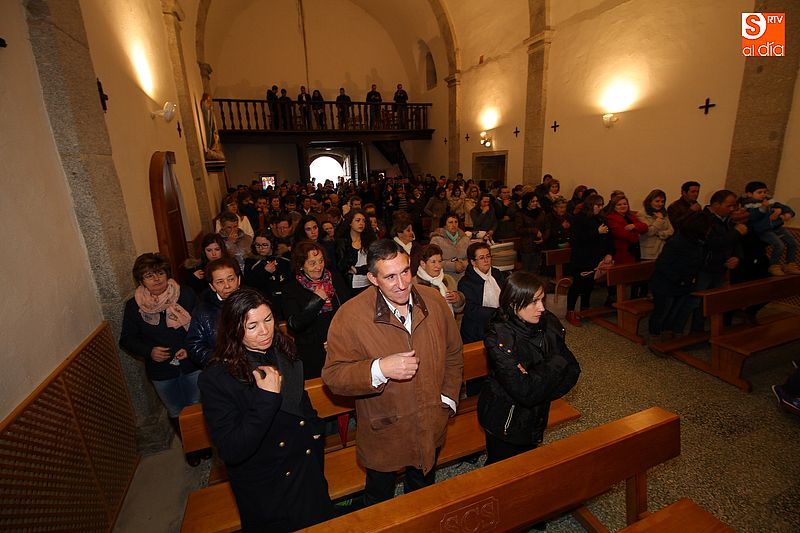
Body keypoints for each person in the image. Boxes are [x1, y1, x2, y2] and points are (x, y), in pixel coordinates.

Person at [322, 239, 463, 506]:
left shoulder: (433, 300)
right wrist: (379, 368)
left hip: (430, 419)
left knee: (422, 493)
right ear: (373, 279)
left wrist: (447, 398)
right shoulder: (350, 315)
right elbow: (334, 376)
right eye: (389, 277)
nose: (401, 283)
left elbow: (454, 353)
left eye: (405, 272)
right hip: (385, 427)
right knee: (379, 498)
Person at [198, 289, 334, 531]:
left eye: (268, 319)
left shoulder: (284, 349)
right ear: (233, 329)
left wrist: (315, 429)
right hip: (268, 484)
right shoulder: (217, 377)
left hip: (306, 471)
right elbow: (231, 449)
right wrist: (266, 398)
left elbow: (300, 400)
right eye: (252, 326)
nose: (264, 331)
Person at [478, 272, 580, 464]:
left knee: (528, 463)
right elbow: (524, 392)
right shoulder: (499, 336)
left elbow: (573, 370)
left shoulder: (548, 322)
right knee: (501, 468)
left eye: (542, 299)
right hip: (504, 420)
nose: (542, 308)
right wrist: (556, 364)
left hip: (536, 415)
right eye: (533, 302)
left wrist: (537, 383)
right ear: (513, 303)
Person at [120, 253, 202, 464]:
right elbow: (127, 339)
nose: (156, 279)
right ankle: (190, 448)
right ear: (141, 280)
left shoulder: (186, 294)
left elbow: (202, 325)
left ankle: (203, 443)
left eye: (160, 273)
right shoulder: (134, 306)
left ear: (167, 274)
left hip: (191, 362)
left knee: (196, 404)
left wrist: (189, 347)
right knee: (175, 409)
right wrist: (149, 351)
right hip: (161, 370)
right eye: (149, 275)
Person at [282, 241, 349, 380]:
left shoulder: (335, 279)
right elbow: (295, 324)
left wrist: (336, 339)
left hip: (340, 343)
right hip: (312, 350)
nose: (318, 267)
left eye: (321, 261)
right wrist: (317, 300)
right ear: (301, 265)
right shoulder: (291, 289)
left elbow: (348, 311)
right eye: (312, 263)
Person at [648, 212, 710, 347]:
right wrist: (679, 279)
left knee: (673, 312)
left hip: (683, 283)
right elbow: (662, 264)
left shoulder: (697, 241)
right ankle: (655, 337)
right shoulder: (677, 241)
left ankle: (667, 333)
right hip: (665, 284)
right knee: (662, 312)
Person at [565, 194, 613, 327]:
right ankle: (570, 311)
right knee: (577, 285)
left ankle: (585, 308)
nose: (600, 207)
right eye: (598, 205)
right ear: (591, 205)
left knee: (589, 285)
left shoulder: (600, 218)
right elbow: (576, 239)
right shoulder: (579, 218)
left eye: (602, 205)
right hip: (581, 258)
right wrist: (596, 232)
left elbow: (609, 237)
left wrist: (609, 253)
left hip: (596, 258)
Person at [186, 258, 241, 368]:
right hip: (221, 369)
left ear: (239, 280)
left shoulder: (254, 302)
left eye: (231, 279)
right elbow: (195, 346)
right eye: (220, 282)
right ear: (212, 286)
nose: (227, 286)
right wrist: (223, 361)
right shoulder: (202, 310)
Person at [742, 181, 799, 276]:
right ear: (749, 194)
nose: (763, 194)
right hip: (764, 230)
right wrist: (765, 209)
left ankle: (790, 264)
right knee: (779, 245)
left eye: (765, 192)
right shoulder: (748, 205)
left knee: (793, 243)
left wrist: (788, 213)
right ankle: (774, 265)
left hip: (777, 227)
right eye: (759, 192)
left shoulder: (770, 201)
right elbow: (753, 217)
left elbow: (783, 207)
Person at [459, 241, 507, 343]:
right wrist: (497, 312)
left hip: (501, 324)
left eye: (488, 256)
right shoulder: (466, 282)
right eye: (481, 258)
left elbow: (507, 295)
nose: (486, 260)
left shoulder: (497, 274)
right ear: (473, 262)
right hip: (477, 330)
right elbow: (471, 310)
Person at [606, 194, 648, 299]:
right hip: (622, 252)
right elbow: (621, 234)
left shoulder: (631, 216)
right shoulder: (611, 218)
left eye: (625, 204)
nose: (623, 206)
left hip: (634, 251)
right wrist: (636, 234)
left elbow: (644, 227)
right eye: (619, 204)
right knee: (621, 279)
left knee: (636, 277)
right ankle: (616, 300)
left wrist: (634, 226)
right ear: (614, 206)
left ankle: (633, 299)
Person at [413, 244, 465, 316]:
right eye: (433, 262)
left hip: (449, 322)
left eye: (440, 261)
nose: (438, 266)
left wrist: (457, 299)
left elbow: (458, 310)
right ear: (423, 264)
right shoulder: (414, 284)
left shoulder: (448, 279)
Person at [243, 233, 290, 313]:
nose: (261, 248)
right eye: (257, 245)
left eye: (265, 245)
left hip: (285, 300)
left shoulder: (284, 259)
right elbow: (249, 283)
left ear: (272, 245)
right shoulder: (251, 261)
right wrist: (264, 272)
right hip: (263, 300)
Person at [335, 208, 377, 295]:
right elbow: (342, 266)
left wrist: (358, 270)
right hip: (350, 285)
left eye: (363, 221)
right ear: (350, 223)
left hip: (370, 282)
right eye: (358, 220)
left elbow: (375, 262)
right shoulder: (342, 242)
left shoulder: (370, 240)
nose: (361, 223)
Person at [429, 214, 470, 283]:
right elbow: (432, 262)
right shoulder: (436, 239)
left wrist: (464, 264)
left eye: (456, 222)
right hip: (444, 276)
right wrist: (453, 266)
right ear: (444, 225)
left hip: (464, 275)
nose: (454, 225)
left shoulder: (465, 239)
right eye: (450, 222)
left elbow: (472, 258)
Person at [514, 192, 548, 274]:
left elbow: (547, 227)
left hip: (538, 245)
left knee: (536, 270)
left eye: (536, 201)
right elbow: (518, 229)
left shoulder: (541, 212)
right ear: (527, 202)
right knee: (527, 271)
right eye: (532, 201)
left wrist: (543, 238)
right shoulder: (520, 213)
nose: (535, 203)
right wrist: (533, 230)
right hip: (527, 245)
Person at [637, 189, 674, 261]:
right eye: (657, 201)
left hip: (662, 249)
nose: (660, 204)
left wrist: (660, 234)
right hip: (648, 252)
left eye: (662, 201)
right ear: (650, 201)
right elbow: (649, 232)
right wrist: (659, 220)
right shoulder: (641, 214)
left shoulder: (663, 213)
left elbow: (671, 230)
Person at [391, 213, 423, 277]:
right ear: (399, 233)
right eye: (408, 230)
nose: (412, 233)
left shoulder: (417, 246)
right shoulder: (391, 247)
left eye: (412, 230)